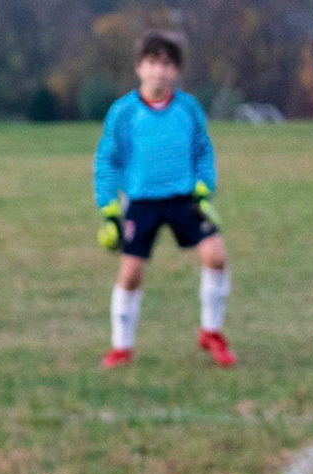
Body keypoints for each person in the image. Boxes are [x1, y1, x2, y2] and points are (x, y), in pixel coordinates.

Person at [93, 30, 234, 368]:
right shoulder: (124, 112)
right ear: (139, 67)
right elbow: (107, 160)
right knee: (130, 274)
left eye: (167, 64)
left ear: (176, 71)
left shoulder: (188, 108)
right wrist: (108, 206)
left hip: (185, 199)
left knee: (216, 256)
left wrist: (204, 187)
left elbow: (203, 151)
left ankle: (211, 331)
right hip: (141, 203)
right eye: (152, 63)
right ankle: (121, 347)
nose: (159, 70)